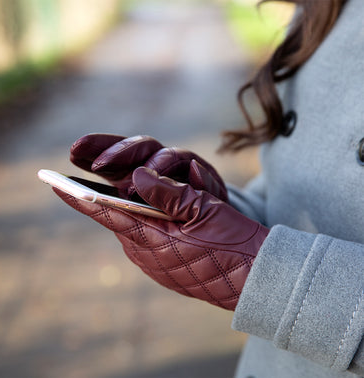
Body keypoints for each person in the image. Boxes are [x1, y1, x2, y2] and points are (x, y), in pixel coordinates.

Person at [53, 0, 364, 376]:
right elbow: (289, 200)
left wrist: (274, 277)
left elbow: (279, 260)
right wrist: (219, 206)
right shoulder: (323, 11)